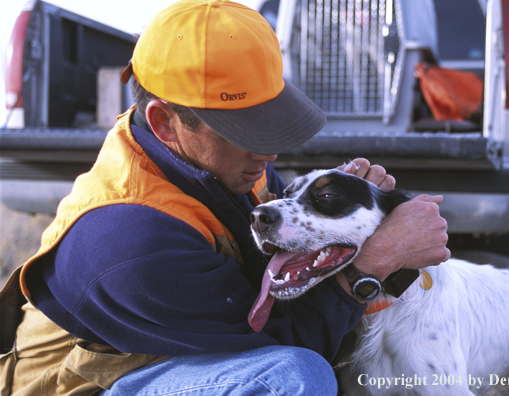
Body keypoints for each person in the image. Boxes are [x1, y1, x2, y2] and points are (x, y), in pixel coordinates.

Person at [0, 1, 450, 395]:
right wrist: (373, 263)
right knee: (292, 378)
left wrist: (355, 218)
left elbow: (280, 264)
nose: (269, 151)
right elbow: (283, 338)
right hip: (90, 387)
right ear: (164, 123)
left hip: (177, 352)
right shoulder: (131, 240)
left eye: (268, 119)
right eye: (244, 130)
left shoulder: (218, 161)